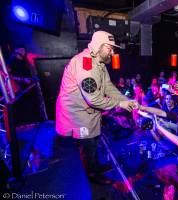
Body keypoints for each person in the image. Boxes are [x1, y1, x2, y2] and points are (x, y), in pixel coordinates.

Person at [56, 31, 136, 184]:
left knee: (94, 140)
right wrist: (120, 104)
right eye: (109, 48)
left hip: (88, 110)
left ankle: (95, 166)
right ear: (99, 46)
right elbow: (93, 99)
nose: (112, 53)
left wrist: (126, 100)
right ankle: (93, 175)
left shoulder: (99, 63)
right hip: (77, 113)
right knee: (89, 144)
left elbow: (107, 86)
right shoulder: (85, 64)